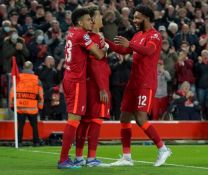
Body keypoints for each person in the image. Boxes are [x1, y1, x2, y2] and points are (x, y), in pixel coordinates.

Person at [105, 5, 171, 167]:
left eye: (137, 17)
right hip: (133, 83)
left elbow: (148, 51)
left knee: (141, 118)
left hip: (145, 83)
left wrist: (130, 44)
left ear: (147, 18)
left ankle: (163, 148)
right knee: (124, 118)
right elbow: (123, 50)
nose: (134, 20)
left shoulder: (154, 35)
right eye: (134, 17)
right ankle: (127, 157)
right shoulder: (137, 35)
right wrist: (104, 42)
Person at [57, 8, 105, 169]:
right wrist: (104, 47)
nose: (91, 22)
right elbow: (98, 54)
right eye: (87, 19)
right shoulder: (81, 34)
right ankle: (63, 160)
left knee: (74, 120)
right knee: (73, 121)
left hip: (70, 77)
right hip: (76, 80)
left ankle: (68, 158)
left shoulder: (71, 32)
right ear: (79, 22)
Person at [74, 5, 111, 167]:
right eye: (98, 16)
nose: (101, 18)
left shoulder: (94, 37)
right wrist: (102, 87)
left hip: (90, 83)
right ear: (93, 21)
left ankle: (79, 157)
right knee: (96, 121)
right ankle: (91, 159)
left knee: (85, 121)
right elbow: (95, 65)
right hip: (97, 85)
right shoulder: (94, 39)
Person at [9, 61, 44, 147]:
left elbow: (12, 93)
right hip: (32, 108)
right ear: (32, 68)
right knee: (34, 126)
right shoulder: (37, 79)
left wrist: (12, 105)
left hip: (20, 106)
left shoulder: (17, 78)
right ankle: (36, 142)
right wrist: (40, 106)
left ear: (23, 68)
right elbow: (40, 94)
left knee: (20, 126)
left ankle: (19, 142)